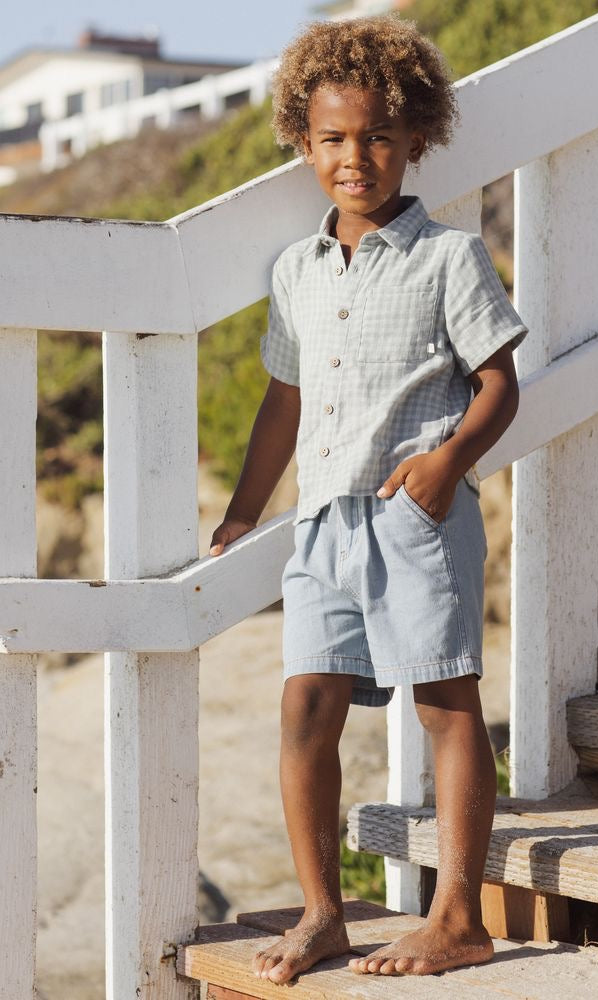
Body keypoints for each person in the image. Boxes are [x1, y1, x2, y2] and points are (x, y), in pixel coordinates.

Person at [209, 15, 527, 985]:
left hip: (413, 514)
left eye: (379, 137)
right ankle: (323, 911)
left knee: (443, 701)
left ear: (415, 137)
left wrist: (445, 464)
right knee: (305, 704)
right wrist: (242, 507)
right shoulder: (296, 272)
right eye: (335, 139)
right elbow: (283, 400)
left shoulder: (447, 258)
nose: (357, 158)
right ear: (304, 143)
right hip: (321, 523)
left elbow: (499, 382)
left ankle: (458, 916)